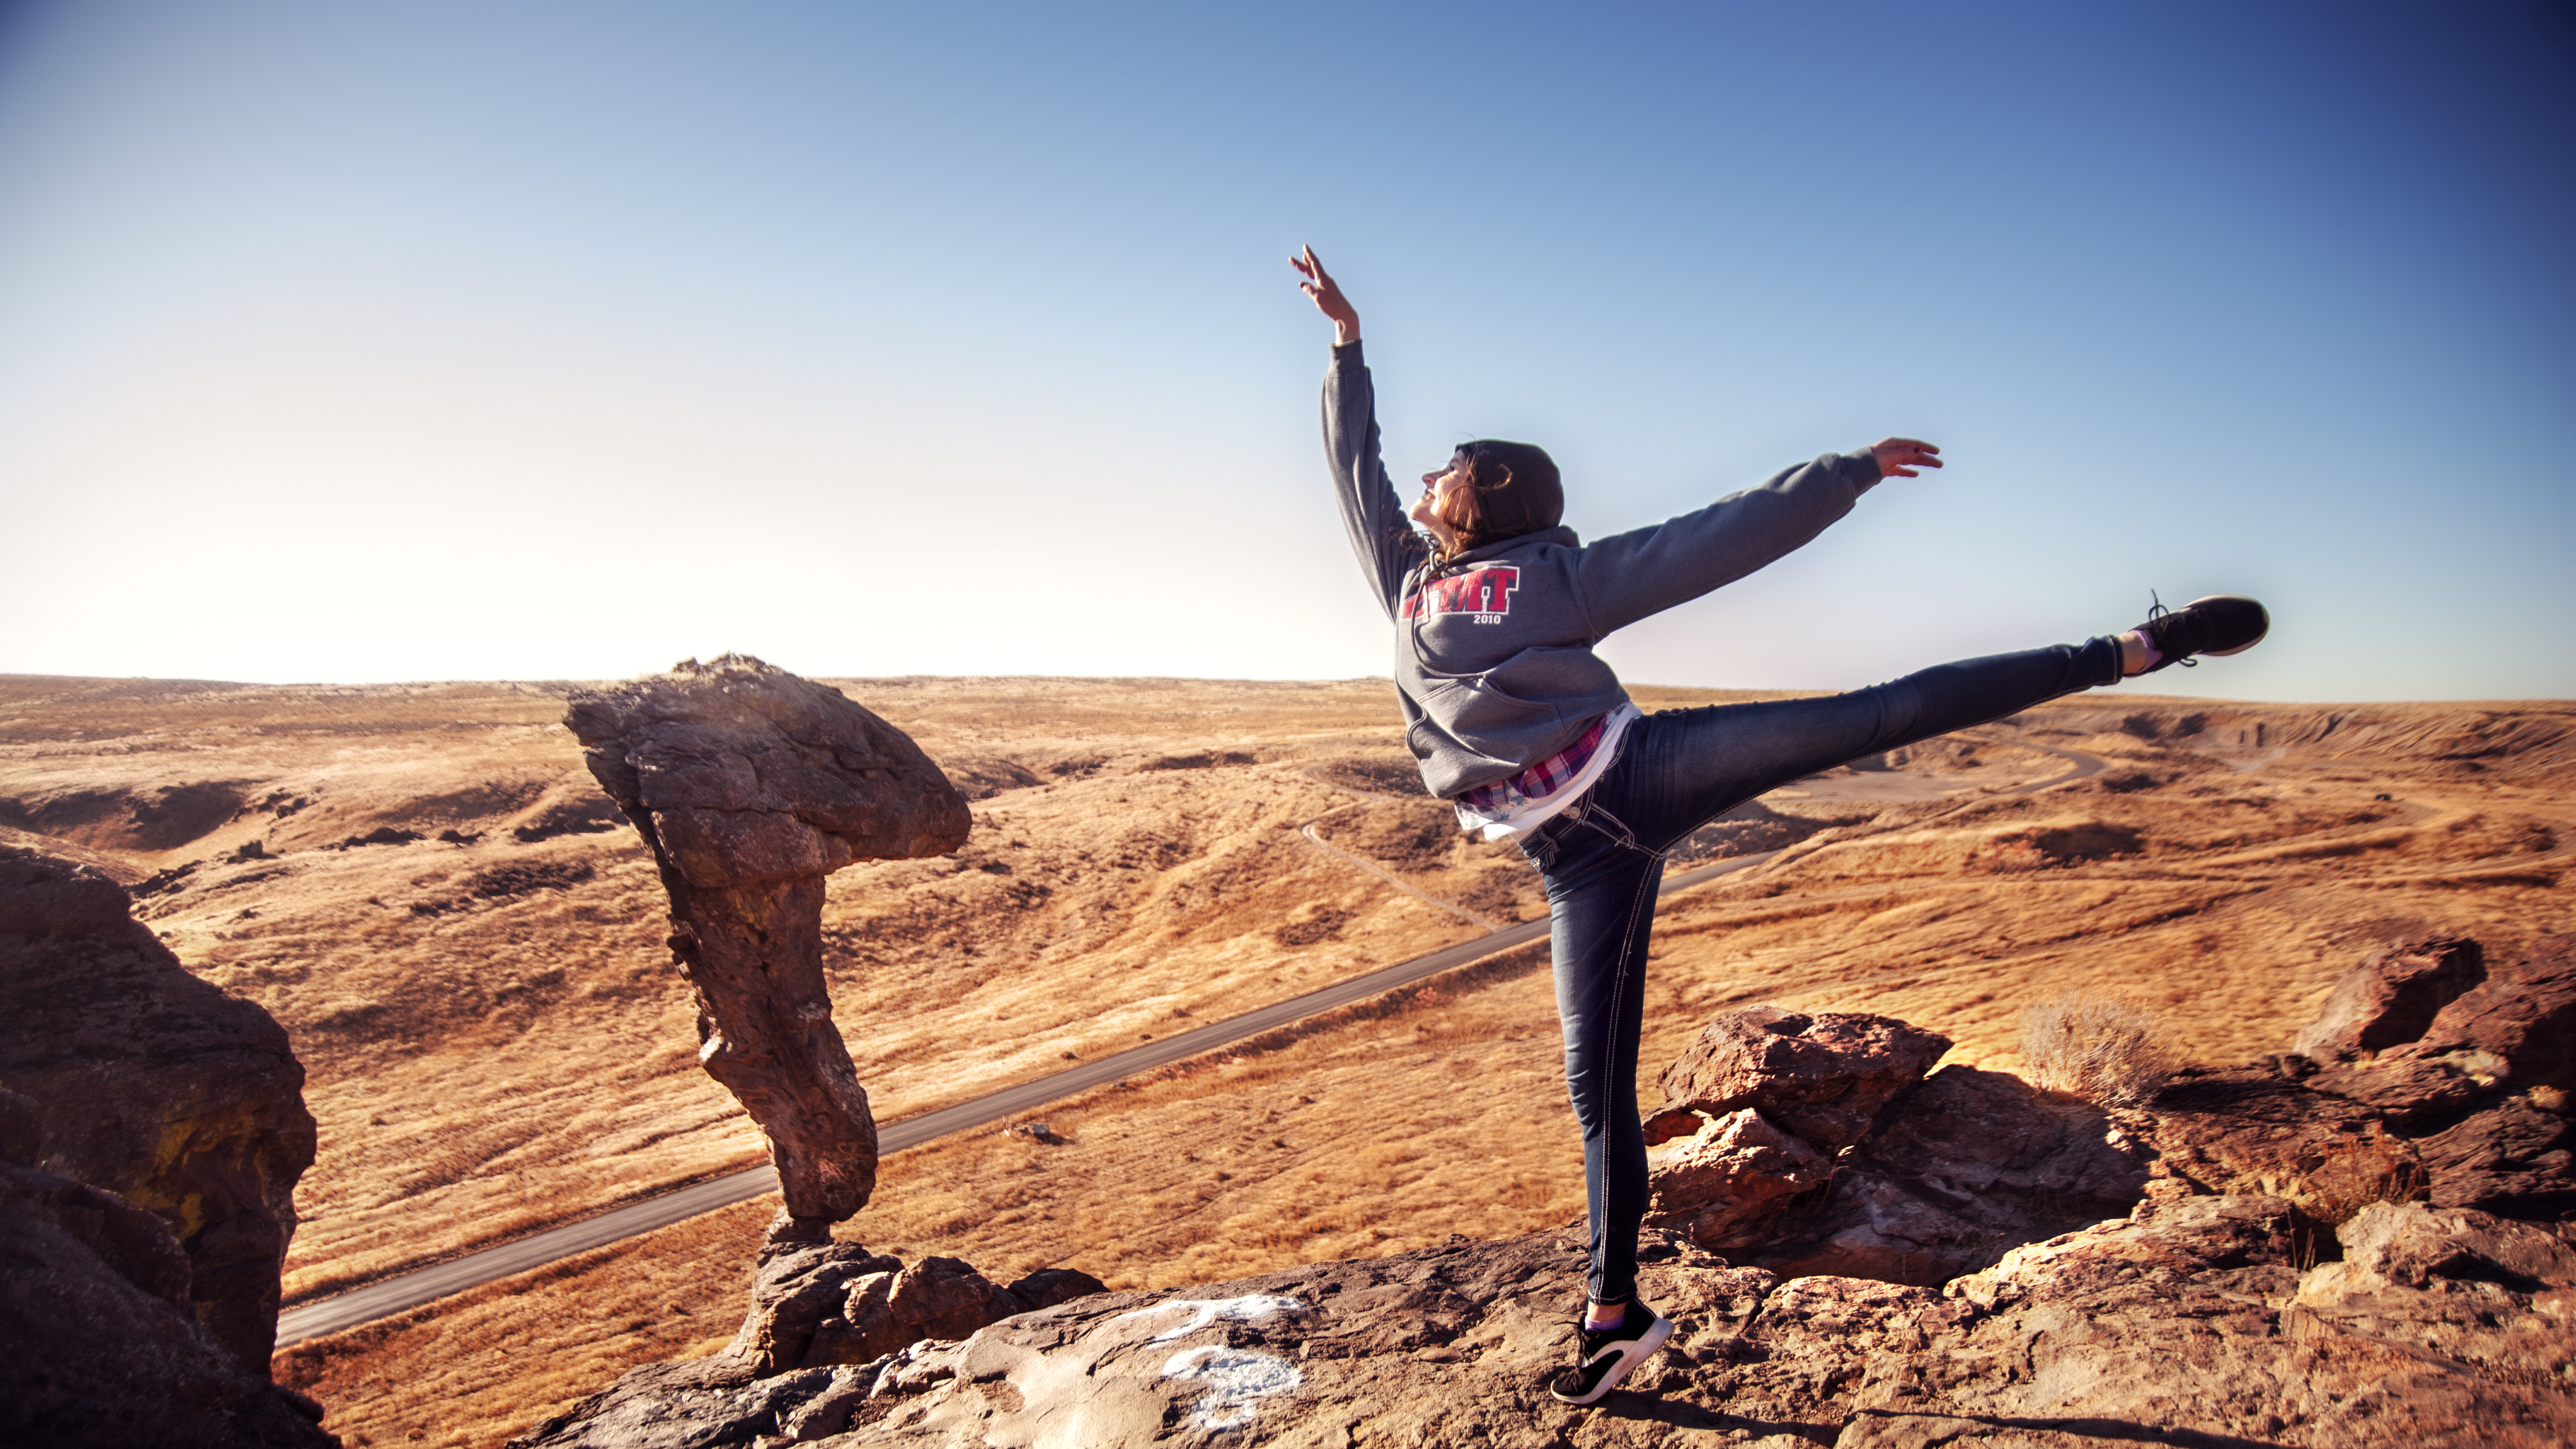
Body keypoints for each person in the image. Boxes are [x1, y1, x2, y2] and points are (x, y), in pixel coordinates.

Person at [1290, 245, 2269, 1406]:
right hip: (1573, 858)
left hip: (1635, 774)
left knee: (1877, 711)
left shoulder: (1557, 575)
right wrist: (1348, 346)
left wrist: (1843, 473)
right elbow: (1356, 469)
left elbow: (1713, 539)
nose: (1431, 476)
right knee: (1593, 1085)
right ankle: (1616, 1315)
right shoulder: (1406, 580)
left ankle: (2133, 649)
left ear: (1492, 494)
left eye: (1454, 468)